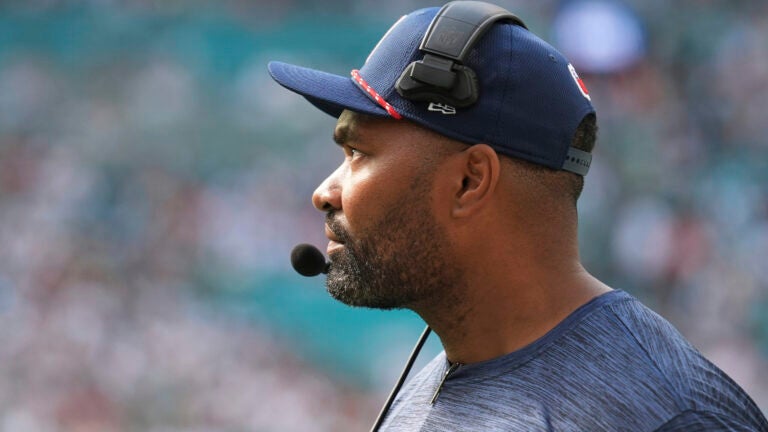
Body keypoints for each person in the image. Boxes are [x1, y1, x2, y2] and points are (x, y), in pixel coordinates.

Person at [268, 1, 768, 431]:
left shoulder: (669, 413)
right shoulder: (427, 391)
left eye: (357, 152)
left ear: (470, 181)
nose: (323, 193)